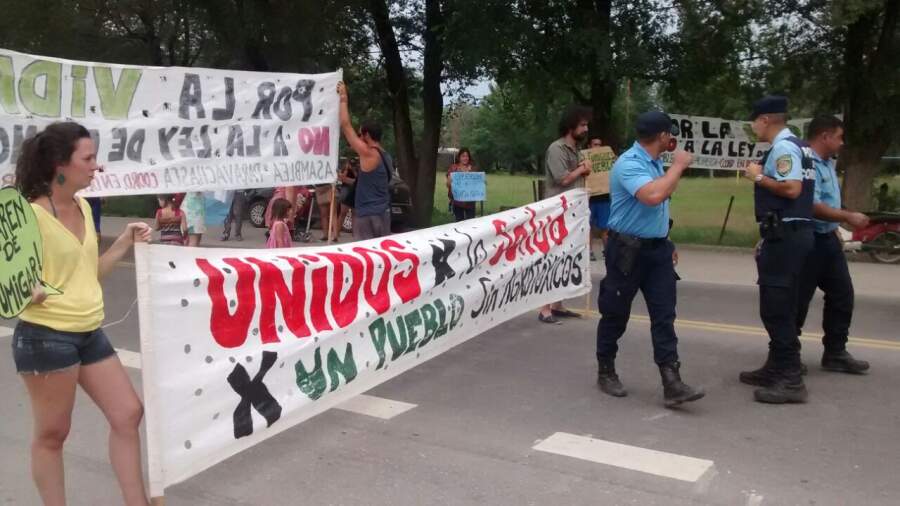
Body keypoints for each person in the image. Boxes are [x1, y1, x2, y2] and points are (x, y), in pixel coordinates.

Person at [12, 122, 152, 505]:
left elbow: (87, 274)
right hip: (45, 337)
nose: (97, 166)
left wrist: (124, 241)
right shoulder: (28, 216)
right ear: (60, 164)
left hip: (89, 331)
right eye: (88, 158)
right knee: (53, 435)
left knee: (128, 413)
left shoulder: (84, 209)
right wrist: (26, 291)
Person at [595, 111, 704, 408]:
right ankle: (606, 370)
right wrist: (679, 165)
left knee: (664, 314)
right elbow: (653, 197)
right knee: (616, 312)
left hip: (657, 251)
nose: (673, 139)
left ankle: (672, 381)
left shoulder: (655, 163)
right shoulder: (629, 164)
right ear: (662, 137)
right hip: (627, 251)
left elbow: (661, 202)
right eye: (670, 134)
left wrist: (665, 240)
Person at [740, 95, 816, 404]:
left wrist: (758, 177)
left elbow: (791, 188)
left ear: (766, 120)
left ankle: (790, 379)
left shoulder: (784, 148)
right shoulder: (799, 146)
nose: (753, 126)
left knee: (776, 307)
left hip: (787, 235)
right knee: (783, 303)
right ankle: (777, 367)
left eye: (755, 121)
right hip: (790, 232)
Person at [794, 116, 871, 374]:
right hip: (808, 241)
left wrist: (838, 224)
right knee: (798, 301)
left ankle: (836, 352)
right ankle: (787, 355)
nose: (842, 142)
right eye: (839, 136)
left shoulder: (828, 163)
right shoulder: (807, 163)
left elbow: (830, 202)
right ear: (824, 136)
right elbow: (813, 206)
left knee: (842, 296)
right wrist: (848, 218)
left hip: (828, 240)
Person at [537, 105, 593, 324]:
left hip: (572, 211)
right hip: (556, 211)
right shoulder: (556, 149)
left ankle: (557, 304)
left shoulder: (575, 150)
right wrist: (582, 169)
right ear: (571, 126)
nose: (586, 128)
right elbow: (563, 179)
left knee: (567, 257)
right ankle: (544, 308)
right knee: (553, 257)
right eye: (582, 125)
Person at [337, 81, 393, 240]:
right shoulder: (386, 156)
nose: (359, 138)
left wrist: (343, 98)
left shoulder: (369, 154)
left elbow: (345, 125)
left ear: (367, 135)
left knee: (367, 260)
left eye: (360, 134)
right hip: (383, 213)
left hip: (367, 216)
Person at [586, 137, 612, 261]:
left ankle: (607, 251)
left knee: (605, 227)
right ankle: (589, 251)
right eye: (595, 144)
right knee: (588, 226)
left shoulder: (608, 158)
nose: (597, 146)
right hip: (589, 198)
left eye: (599, 144)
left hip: (604, 198)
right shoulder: (584, 158)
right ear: (590, 145)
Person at [447, 148, 477, 221]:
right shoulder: (453, 168)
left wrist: (482, 182)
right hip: (457, 201)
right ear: (459, 157)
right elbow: (448, 185)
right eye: (463, 156)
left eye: (467, 156)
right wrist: (450, 180)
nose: (465, 158)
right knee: (459, 222)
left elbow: (478, 183)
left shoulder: (473, 168)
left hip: (470, 201)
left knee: (471, 222)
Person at [337, 159, 358, 236]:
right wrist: (346, 169)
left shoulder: (357, 170)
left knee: (354, 214)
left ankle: (354, 232)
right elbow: (342, 178)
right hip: (346, 191)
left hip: (353, 191)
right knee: (343, 213)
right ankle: (337, 231)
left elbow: (357, 179)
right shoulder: (345, 169)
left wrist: (352, 169)